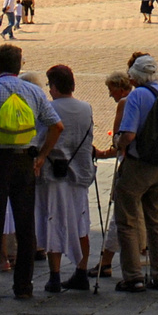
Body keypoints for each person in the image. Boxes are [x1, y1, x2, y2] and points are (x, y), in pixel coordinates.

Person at [0, 43, 63, 300]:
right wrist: (41, 156)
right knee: (25, 224)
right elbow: (57, 126)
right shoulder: (33, 91)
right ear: (19, 66)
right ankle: (24, 286)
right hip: (24, 162)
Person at [115, 55, 158, 291]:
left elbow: (129, 134)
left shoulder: (136, 95)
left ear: (135, 76)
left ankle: (133, 276)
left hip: (139, 165)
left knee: (127, 220)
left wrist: (118, 143)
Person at [37, 64, 96, 293]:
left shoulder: (48, 109)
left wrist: (41, 156)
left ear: (53, 85)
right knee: (81, 222)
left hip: (54, 174)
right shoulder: (86, 108)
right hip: (80, 173)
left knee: (53, 220)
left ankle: (54, 275)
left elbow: (42, 138)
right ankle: (81, 271)